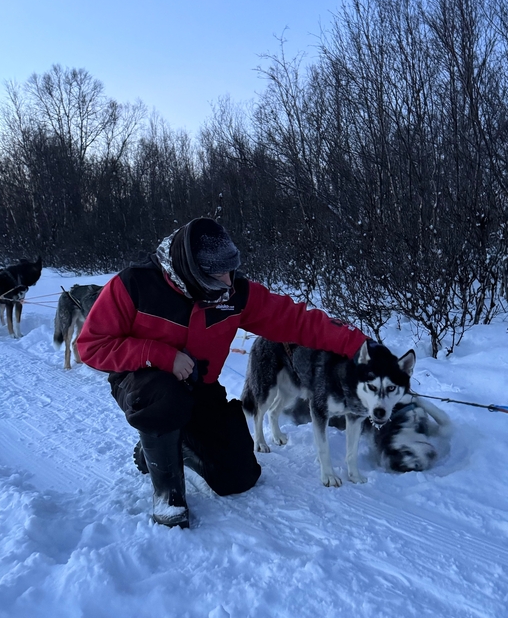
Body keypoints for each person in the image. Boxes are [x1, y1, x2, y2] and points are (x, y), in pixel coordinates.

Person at [77, 218, 369, 528]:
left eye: (231, 271)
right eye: (218, 275)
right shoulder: (134, 285)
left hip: (199, 386)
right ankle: (168, 495)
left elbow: (295, 321)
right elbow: (92, 346)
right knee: (164, 395)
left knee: (238, 477)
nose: (228, 282)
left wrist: (360, 344)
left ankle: (177, 446)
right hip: (143, 382)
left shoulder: (234, 293)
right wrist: (159, 355)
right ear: (192, 271)